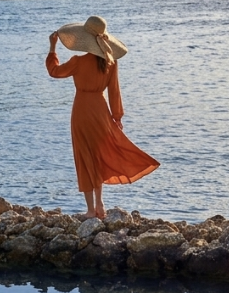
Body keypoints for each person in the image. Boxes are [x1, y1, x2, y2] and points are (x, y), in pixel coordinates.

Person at [47, 15, 159, 219]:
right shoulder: (111, 62)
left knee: (85, 156)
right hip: (101, 111)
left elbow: (54, 71)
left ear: (84, 40)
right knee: (97, 156)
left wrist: (53, 48)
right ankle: (100, 205)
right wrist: (117, 117)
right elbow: (115, 91)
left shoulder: (78, 61)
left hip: (82, 110)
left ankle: (91, 210)